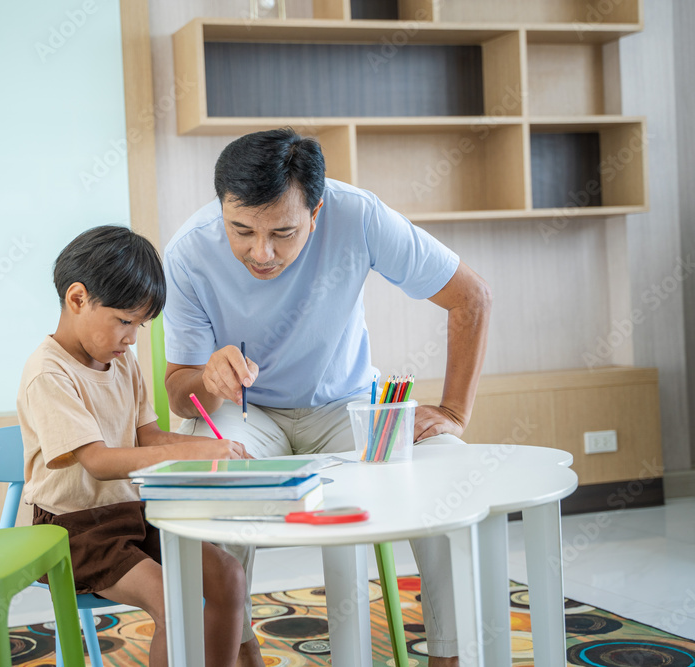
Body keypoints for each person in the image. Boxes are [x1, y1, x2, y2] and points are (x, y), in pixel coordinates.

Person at [162, 129, 492, 667]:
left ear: (316, 212)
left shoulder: (358, 215)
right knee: (215, 486)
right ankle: (241, 655)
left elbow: (471, 296)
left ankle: (448, 657)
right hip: (247, 412)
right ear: (222, 205)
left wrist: (454, 411)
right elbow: (179, 393)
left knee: (441, 477)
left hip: (347, 406)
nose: (260, 252)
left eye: (283, 232)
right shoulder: (188, 251)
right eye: (240, 230)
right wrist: (206, 380)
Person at [18, 225, 251, 667]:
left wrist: (216, 450)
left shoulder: (120, 361)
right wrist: (186, 453)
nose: (132, 337)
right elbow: (99, 463)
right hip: (74, 530)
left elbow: (149, 436)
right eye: (125, 321)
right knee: (173, 599)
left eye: (140, 325)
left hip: (135, 515)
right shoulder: (49, 373)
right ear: (77, 299)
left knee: (228, 576)